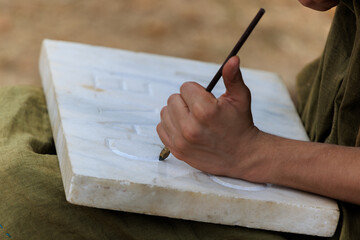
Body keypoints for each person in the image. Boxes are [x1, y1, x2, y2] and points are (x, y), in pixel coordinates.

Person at [1, 0, 358, 239]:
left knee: (19, 192)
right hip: (313, 138)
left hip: (334, 220)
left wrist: (251, 152)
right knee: (17, 105)